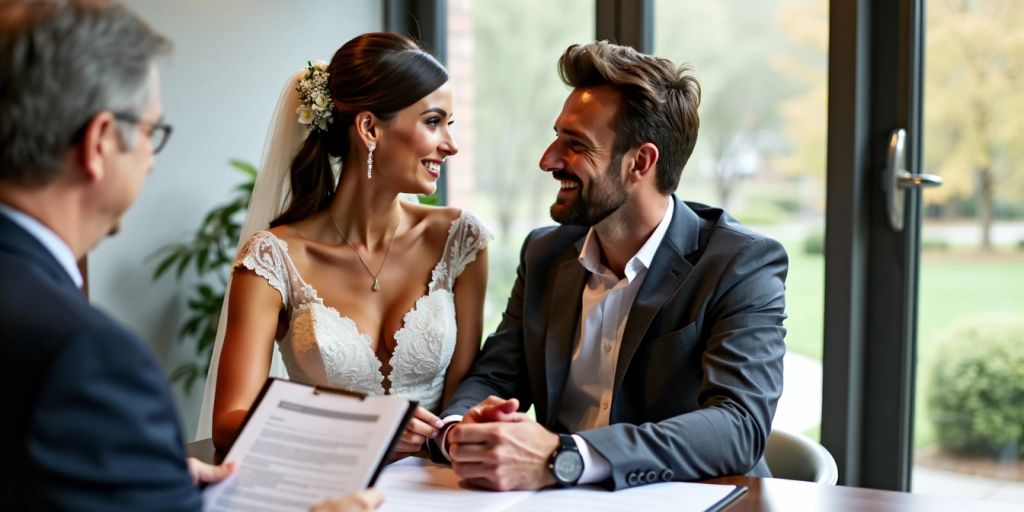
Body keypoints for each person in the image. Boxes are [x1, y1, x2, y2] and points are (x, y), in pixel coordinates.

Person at [0, 1, 380, 510]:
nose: (152, 163)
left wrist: (147, 479)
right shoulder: (87, 356)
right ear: (100, 142)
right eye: (151, 132)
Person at [437, 41, 788, 491]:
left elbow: (739, 425)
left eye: (575, 144)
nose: (548, 159)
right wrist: (456, 431)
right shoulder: (545, 253)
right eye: (556, 135)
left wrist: (566, 457)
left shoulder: (740, 264)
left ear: (639, 163)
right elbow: (497, 373)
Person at [202, 32, 491, 458]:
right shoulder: (272, 259)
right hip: (328, 491)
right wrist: (365, 432)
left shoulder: (459, 239)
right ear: (370, 128)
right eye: (433, 122)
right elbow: (230, 421)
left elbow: (460, 403)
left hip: (439, 489)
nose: (450, 144)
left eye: (450, 124)